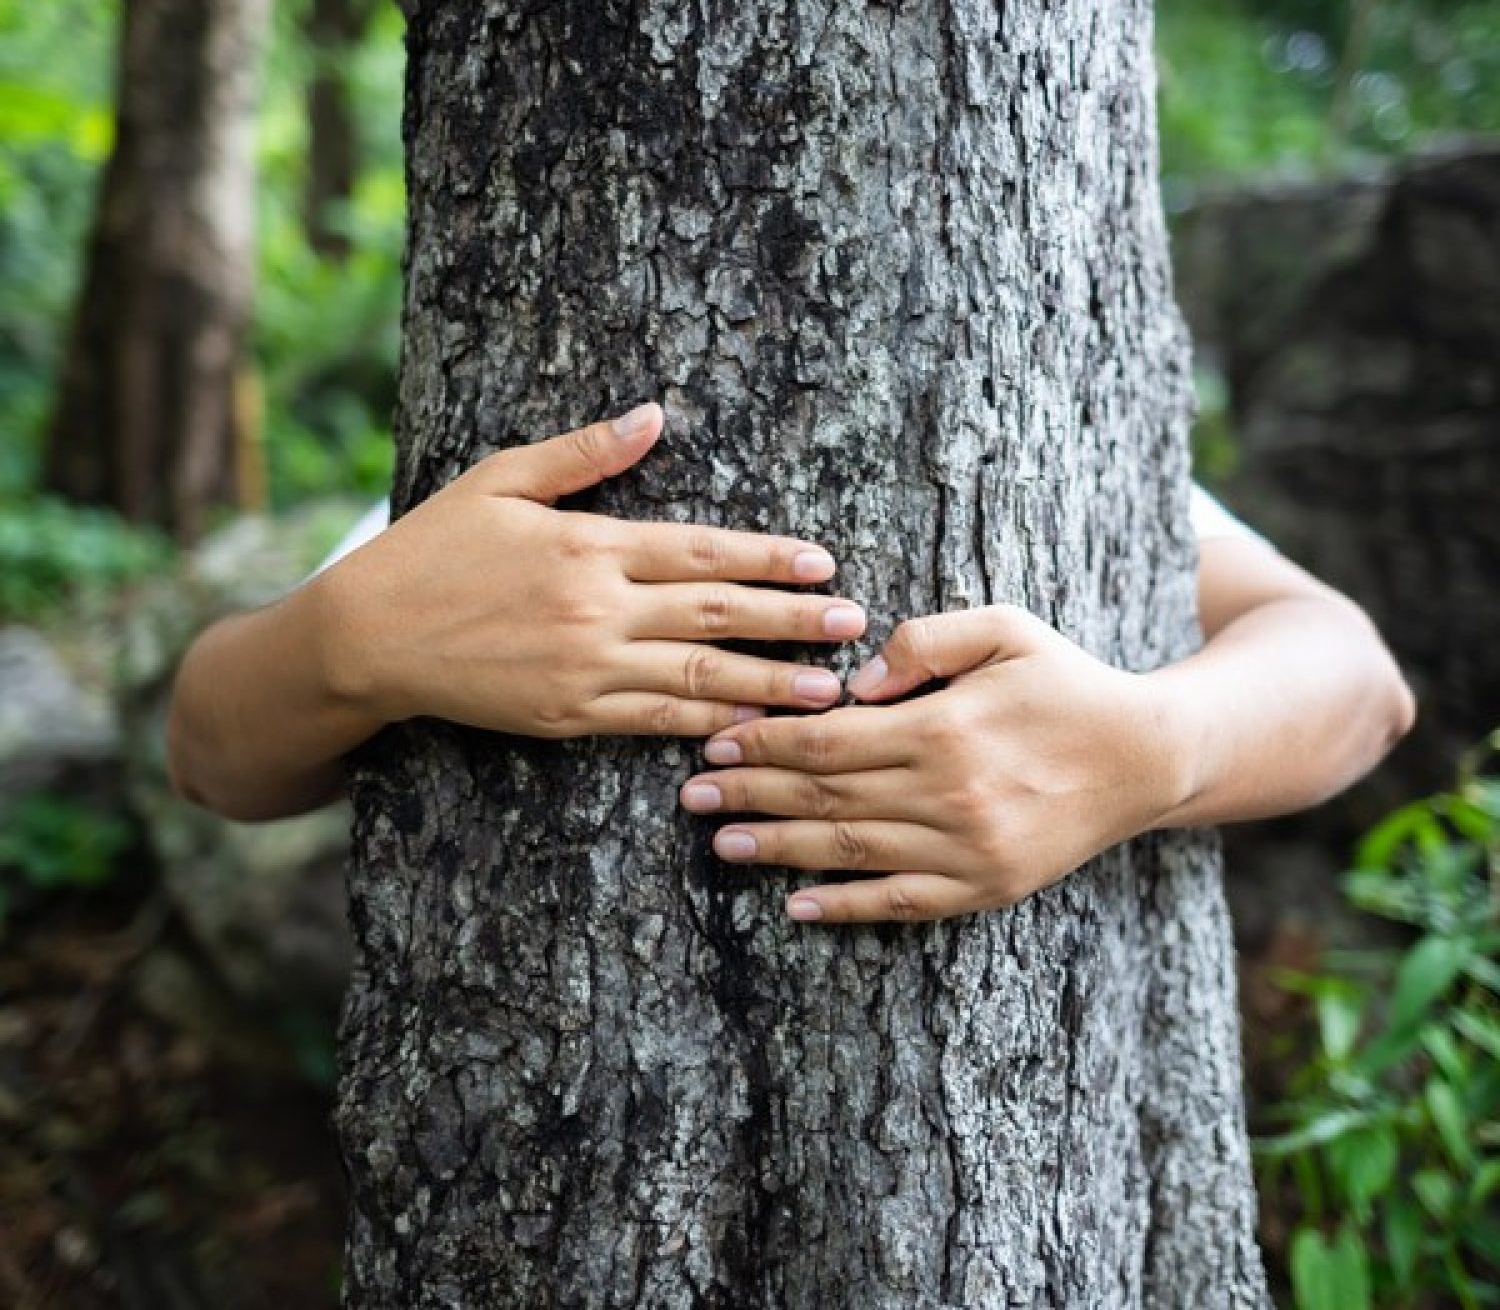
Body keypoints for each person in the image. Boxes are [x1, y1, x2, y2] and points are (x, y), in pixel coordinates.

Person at [166, 400, 1415, 923]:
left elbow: (1357, 677)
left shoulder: (1049, 430)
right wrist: (354, 641)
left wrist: (1155, 750)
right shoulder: (481, 505)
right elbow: (214, 758)